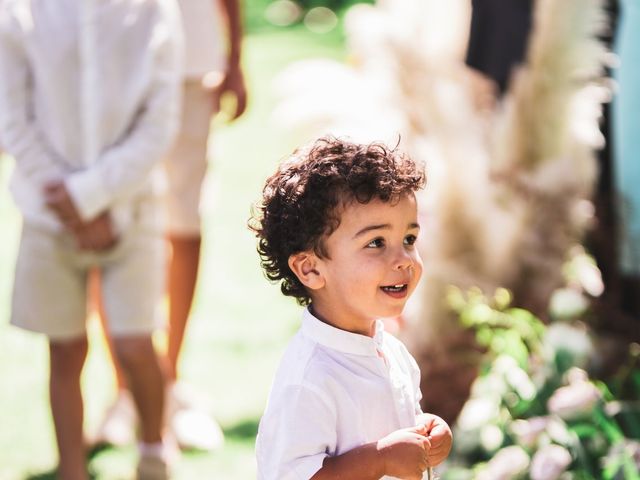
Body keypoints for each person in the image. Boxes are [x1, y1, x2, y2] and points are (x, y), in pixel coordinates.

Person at [0, 0, 183, 478]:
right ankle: (72, 468)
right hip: (47, 209)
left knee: (135, 342)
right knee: (63, 348)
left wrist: (93, 194)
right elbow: (13, 116)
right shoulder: (20, 11)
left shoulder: (153, 9)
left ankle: (153, 452)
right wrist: (69, 203)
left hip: (132, 204)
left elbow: (159, 120)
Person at [94, 0, 247, 451]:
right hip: (112, 67)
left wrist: (234, 58)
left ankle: (169, 383)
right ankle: (125, 390)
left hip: (192, 62)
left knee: (183, 223)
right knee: (111, 223)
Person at [250, 137, 453, 479]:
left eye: (409, 239)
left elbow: (385, 425)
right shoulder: (310, 380)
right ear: (311, 269)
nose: (403, 260)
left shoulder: (391, 352)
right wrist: (380, 460)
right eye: (376, 243)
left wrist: (424, 431)